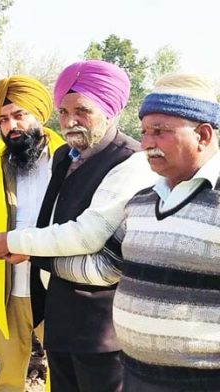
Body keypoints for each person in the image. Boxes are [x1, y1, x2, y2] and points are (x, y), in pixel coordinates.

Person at [0, 60, 156, 392]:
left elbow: (86, 233)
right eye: (63, 111)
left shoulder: (131, 161)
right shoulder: (66, 156)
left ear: (109, 110)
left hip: (103, 330)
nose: (70, 120)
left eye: (82, 111)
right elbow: (50, 223)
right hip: (59, 317)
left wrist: (16, 243)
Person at [113, 74, 220, 391]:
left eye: (159, 132)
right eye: (145, 132)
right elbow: (108, 265)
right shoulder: (142, 202)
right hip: (135, 376)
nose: (146, 143)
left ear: (202, 135)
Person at [0, 77, 64, 392]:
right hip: (6, 293)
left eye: (19, 115)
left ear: (40, 114)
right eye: (4, 119)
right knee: (7, 381)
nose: (12, 126)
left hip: (58, 287)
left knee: (66, 375)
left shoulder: (68, 160)